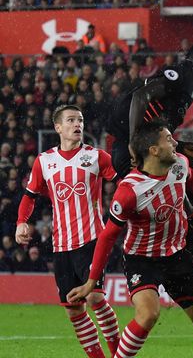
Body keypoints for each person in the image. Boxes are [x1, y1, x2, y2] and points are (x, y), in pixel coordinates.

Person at [67, 122, 193, 357]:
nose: (175, 143)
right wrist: (91, 281)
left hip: (177, 257)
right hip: (141, 260)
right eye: (169, 139)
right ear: (154, 150)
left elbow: (192, 178)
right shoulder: (129, 191)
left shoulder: (179, 163)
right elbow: (107, 237)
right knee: (148, 314)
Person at [106, 41, 193, 304]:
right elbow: (140, 97)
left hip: (142, 149)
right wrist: (133, 142)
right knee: (187, 205)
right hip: (132, 153)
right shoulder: (183, 76)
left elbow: (156, 128)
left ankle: (192, 233)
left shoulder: (189, 84)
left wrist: (183, 146)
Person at [16, 105, 120, 357]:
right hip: (61, 245)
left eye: (80, 120)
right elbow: (30, 196)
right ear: (58, 127)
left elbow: (124, 183)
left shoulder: (97, 156)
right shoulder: (45, 160)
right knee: (73, 309)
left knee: (95, 298)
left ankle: (120, 353)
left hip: (92, 239)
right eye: (71, 120)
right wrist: (22, 221)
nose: (78, 124)